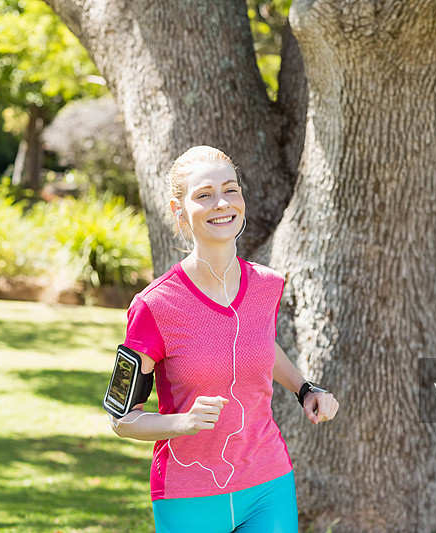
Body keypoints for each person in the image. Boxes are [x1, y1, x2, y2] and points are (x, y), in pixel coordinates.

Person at [110, 145, 339, 532]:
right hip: (189, 494)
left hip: (269, 482)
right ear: (178, 209)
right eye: (204, 195)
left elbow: (261, 344)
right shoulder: (154, 306)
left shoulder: (266, 285)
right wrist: (181, 423)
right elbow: (121, 419)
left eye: (230, 190)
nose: (221, 203)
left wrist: (305, 388)